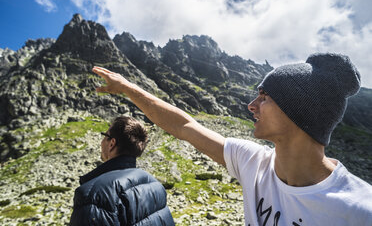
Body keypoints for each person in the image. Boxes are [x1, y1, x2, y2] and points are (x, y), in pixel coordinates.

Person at [92, 53, 372, 225]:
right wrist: (128, 88)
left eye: (264, 97)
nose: (252, 105)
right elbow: (184, 124)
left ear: (298, 111)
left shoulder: (360, 210)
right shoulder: (253, 162)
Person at [70, 116, 175, 226]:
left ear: (112, 143)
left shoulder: (94, 195)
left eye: (104, 136)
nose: (101, 142)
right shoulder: (155, 185)